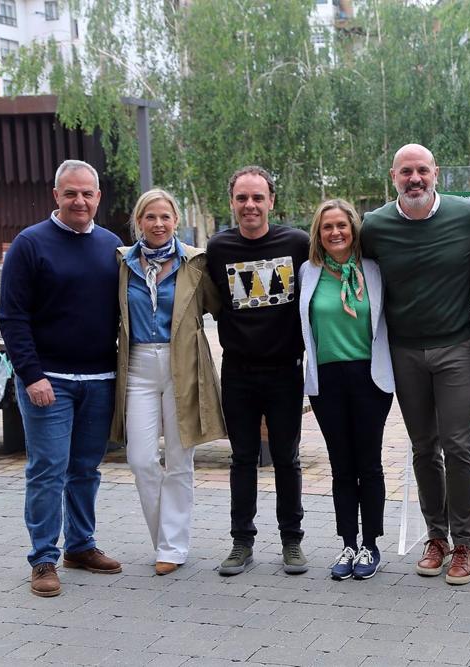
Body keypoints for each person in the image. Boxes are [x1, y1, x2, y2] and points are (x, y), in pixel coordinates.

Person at [361, 143, 470, 585]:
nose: (414, 179)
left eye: (422, 170)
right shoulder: (375, 226)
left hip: (455, 347)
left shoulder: (469, 217)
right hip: (403, 351)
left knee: (458, 446)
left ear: (436, 172)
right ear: (393, 177)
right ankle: (436, 538)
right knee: (423, 448)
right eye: (405, 172)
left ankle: (465, 544)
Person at [0, 159, 123, 597]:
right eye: (70, 193)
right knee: (48, 469)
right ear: (56, 196)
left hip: (100, 378)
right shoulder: (29, 245)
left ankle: (81, 545)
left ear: (98, 197)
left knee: (86, 469)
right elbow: (12, 317)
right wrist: (31, 375)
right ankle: (44, 559)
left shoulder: (111, 245)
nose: (79, 200)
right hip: (48, 381)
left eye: (87, 193)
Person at [109, 189, 225, 576]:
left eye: (165, 217)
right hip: (139, 364)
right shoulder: (124, 263)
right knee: (140, 459)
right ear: (138, 221)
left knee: (179, 458)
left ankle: (172, 547)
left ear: (176, 220)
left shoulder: (194, 262)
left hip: (184, 365)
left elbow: (220, 305)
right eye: (150, 217)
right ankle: (166, 537)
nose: (158, 224)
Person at [205, 166, 311, 576]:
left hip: (285, 370)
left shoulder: (296, 243)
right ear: (232, 202)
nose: (250, 205)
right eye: (242, 198)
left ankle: (292, 541)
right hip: (238, 372)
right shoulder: (219, 248)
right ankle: (241, 542)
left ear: (271, 201)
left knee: (287, 458)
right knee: (242, 459)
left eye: (257, 198)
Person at [300, 199, 394, 581]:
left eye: (342, 225)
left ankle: (371, 544)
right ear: (318, 234)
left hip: (370, 377)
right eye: (327, 227)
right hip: (327, 380)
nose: (335, 232)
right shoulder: (309, 272)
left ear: (354, 228)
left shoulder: (374, 270)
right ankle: (348, 542)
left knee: (368, 464)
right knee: (341, 466)